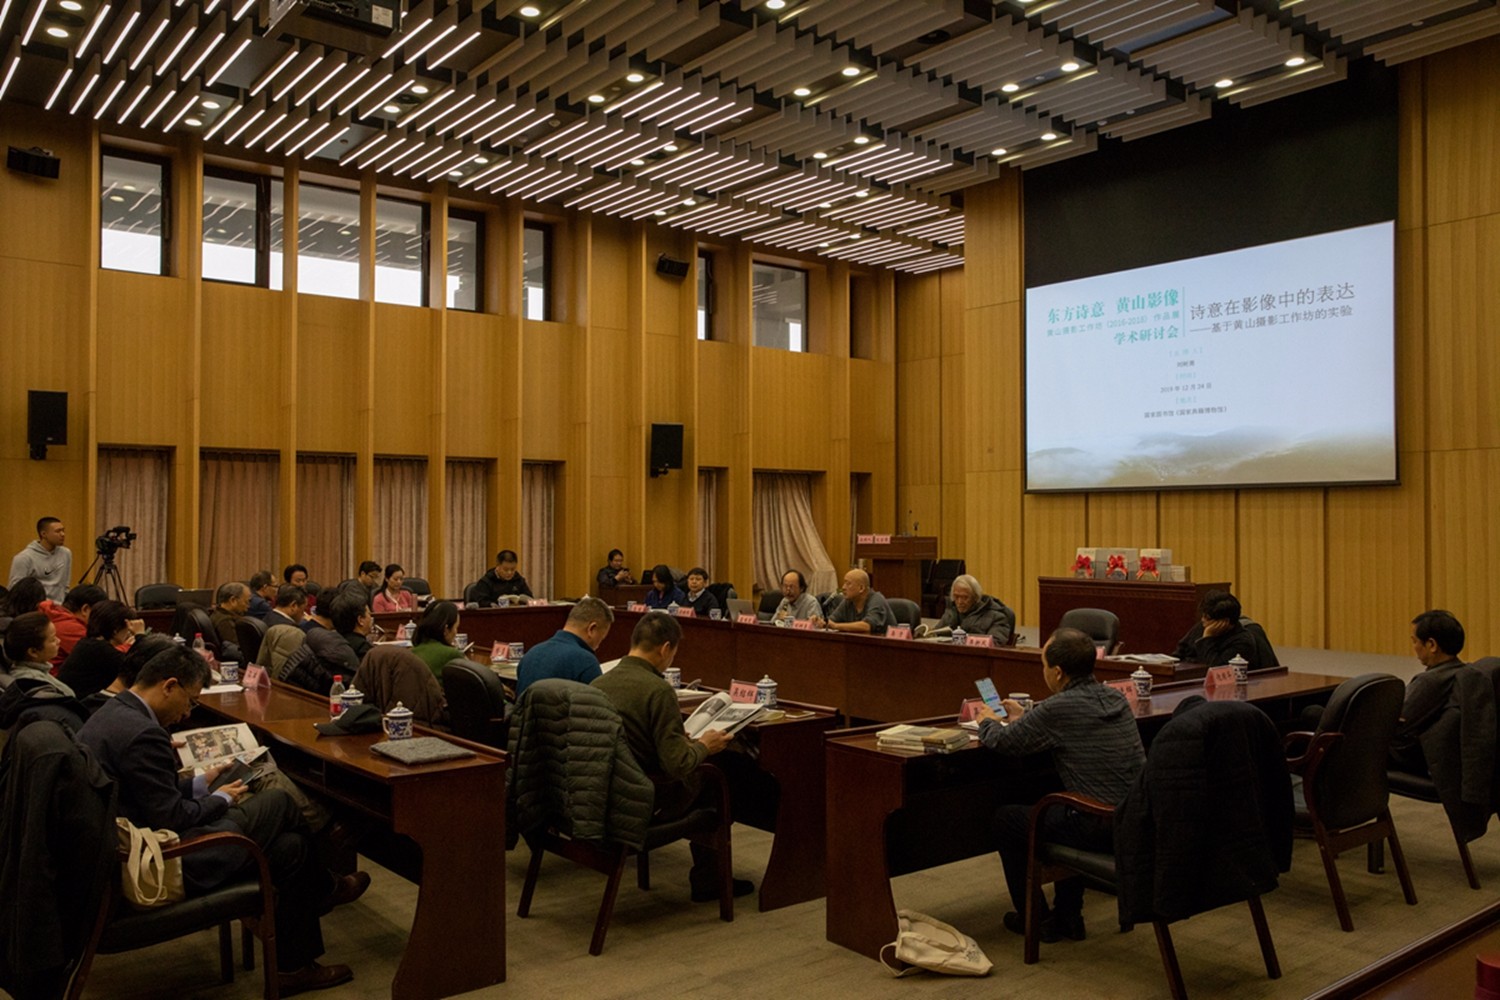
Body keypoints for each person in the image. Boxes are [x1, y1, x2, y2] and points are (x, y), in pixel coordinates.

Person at [77, 643, 362, 995]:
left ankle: (296, 965)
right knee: (279, 804)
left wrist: (199, 782)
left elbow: (149, 797)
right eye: (191, 700)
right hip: (161, 862)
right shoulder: (142, 733)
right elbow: (173, 817)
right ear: (169, 686)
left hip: (132, 848)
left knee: (292, 848)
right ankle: (324, 892)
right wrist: (219, 798)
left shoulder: (112, 712)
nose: (186, 713)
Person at [976, 627, 1146, 943]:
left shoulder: (1059, 709)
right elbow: (1069, 718)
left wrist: (986, 718)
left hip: (1100, 824)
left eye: (1043, 666)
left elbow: (1002, 741)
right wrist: (1027, 714)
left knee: (1007, 820)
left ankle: (1036, 920)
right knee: (1064, 804)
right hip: (1136, 816)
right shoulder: (1113, 697)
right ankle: (1068, 916)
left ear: (1057, 672)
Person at [591, 613, 756, 902]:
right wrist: (705, 745)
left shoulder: (599, 682)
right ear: (666, 649)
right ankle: (709, 881)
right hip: (645, 799)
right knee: (721, 780)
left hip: (606, 793)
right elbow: (678, 765)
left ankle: (709, 877)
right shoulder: (658, 690)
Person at [1389, 609, 1468, 776]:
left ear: (1431, 645)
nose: (1414, 647)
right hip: (1431, 753)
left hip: (1409, 755)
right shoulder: (1463, 672)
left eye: (1415, 641)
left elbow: (1398, 722)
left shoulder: (1430, 681)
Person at [516, 597, 614, 696]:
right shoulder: (586, 662)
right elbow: (597, 708)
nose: (598, 646)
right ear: (591, 629)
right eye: (601, 639)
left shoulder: (531, 654)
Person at [57, 599, 137, 700]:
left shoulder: (88, 643)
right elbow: (136, 669)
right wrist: (139, 636)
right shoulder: (100, 650)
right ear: (116, 630)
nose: (129, 632)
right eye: (128, 628)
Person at [1171, 589, 1260, 667]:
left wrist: (1207, 638)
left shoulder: (1243, 642)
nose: (1202, 620)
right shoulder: (1203, 625)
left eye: (1208, 618)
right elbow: (1181, 650)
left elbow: (1217, 668)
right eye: (1203, 616)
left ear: (1224, 621)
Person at [8, 516, 73, 603]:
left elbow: (65, 586)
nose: (62, 534)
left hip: (59, 608)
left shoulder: (66, 553)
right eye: (58, 531)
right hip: (36, 608)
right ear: (43, 534)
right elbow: (15, 590)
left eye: (63, 530)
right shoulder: (24, 558)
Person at [937, 574, 1016, 644]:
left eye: (965, 597)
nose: (959, 602)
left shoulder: (996, 617)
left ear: (975, 597)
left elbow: (995, 644)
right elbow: (935, 634)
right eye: (956, 597)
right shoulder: (951, 612)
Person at [40, 583, 105, 665]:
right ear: (85, 609)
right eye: (99, 614)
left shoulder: (58, 617)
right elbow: (103, 658)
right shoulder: (72, 628)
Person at [825, 568, 892, 635]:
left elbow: (867, 626)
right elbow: (831, 620)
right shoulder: (848, 601)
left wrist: (836, 626)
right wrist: (821, 622)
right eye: (844, 583)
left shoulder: (877, 600)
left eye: (848, 584)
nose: (843, 588)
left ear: (861, 588)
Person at [410, 601, 464, 682]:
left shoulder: (411, 652)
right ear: (446, 629)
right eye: (456, 627)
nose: (456, 632)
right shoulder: (452, 655)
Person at [467, 550, 534, 606]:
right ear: (498, 566)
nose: (509, 573)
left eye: (513, 569)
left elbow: (530, 598)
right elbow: (480, 601)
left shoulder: (518, 580)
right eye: (505, 570)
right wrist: (491, 604)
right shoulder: (486, 581)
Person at [331, 594, 374, 662]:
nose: (371, 618)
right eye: (369, 614)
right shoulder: (363, 649)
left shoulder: (334, 642)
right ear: (360, 620)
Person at [211, 582, 251, 649]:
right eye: (246, 602)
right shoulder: (225, 622)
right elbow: (237, 649)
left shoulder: (218, 613)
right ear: (233, 600)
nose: (249, 606)